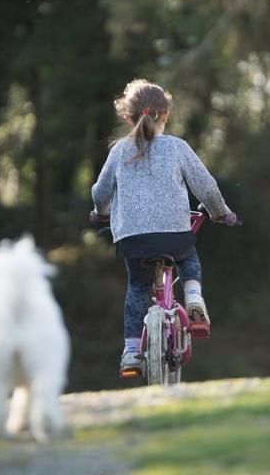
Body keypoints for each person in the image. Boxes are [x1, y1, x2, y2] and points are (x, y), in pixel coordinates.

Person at [90, 79, 238, 376]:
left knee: (138, 287)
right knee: (188, 258)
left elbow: (101, 191)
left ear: (127, 117)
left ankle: (131, 352)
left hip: (132, 239)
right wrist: (220, 212)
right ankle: (194, 299)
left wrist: (100, 212)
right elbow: (206, 187)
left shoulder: (119, 151)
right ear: (165, 115)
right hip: (174, 235)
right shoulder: (177, 147)